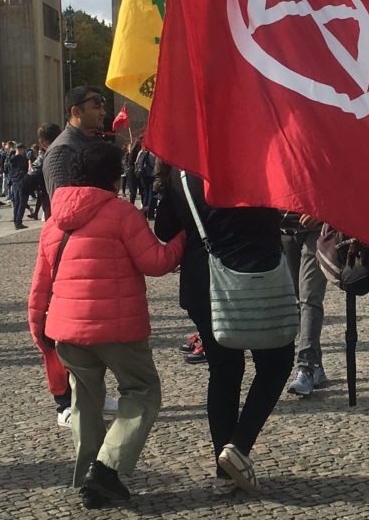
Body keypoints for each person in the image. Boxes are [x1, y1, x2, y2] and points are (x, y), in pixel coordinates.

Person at [28, 140, 184, 509]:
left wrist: (39, 330)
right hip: (117, 328)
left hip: (66, 330)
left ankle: (88, 477)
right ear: (114, 177)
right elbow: (156, 262)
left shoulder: (53, 221)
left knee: (84, 400)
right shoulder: (121, 213)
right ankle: (107, 470)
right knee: (142, 391)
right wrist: (183, 239)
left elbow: (39, 285)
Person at [154, 167, 294, 495]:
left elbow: (164, 227)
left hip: (206, 282)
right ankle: (239, 446)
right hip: (258, 275)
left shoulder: (183, 172)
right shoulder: (255, 163)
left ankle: (224, 475)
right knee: (276, 364)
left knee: (224, 371)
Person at [281, 211, 330, 397]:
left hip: (316, 229)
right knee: (298, 299)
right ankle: (316, 366)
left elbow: (343, 183)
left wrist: (321, 210)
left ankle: (306, 367)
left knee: (309, 298)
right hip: (284, 228)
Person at [42, 87, 105, 202]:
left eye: (102, 107)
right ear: (76, 112)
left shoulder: (94, 142)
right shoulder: (62, 151)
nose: (103, 113)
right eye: (96, 108)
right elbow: (65, 207)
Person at [5, 142, 30, 230]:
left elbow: (8, 171)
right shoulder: (21, 158)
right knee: (22, 203)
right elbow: (24, 170)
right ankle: (18, 222)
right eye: (23, 150)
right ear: (20, 150)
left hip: (14, 182)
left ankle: (16, 221)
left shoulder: (11, 159)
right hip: (21, 181)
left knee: (17, 203)